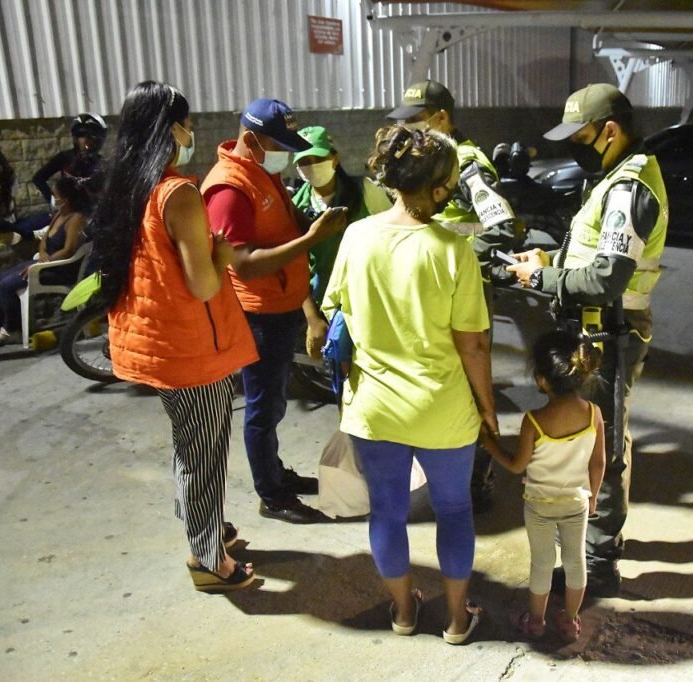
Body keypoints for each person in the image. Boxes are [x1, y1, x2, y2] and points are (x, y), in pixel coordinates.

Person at [322, 125, 496, 644]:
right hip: (442, 409)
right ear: (440, 186)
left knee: (388, 513)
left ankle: (402, 613)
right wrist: (487, 410)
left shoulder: (357, 235)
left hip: (375, 409)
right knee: (455, 510)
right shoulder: (453, 250)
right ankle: (458, 620)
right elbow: (474, 345)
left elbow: (340, 310)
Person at [93, 81, 259, 592]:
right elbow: (204, 282)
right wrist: (224, 256)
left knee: (190, 443)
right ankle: (208, 559)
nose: (191, 133)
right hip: (192, 351)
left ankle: (202, 523)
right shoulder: (178, 194)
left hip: (155, 345)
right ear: (171, 129)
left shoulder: (127, 187)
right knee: (205, 451)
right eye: (185, 123)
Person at [508, 83, 668, 597]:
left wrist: (539, 281)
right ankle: (603, 549)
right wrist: (548, 262)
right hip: (599, 327)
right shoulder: (613, 178)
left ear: (611, 131)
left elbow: (606, 278)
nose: (574, 146)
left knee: (602, 445)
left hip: (612, 332)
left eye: (581, 136)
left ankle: (598, 568)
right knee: (602, 437)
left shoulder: (630, 188)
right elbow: (589, 258)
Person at [202, 99, 346, 524]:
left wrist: (311, 223)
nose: (286, 155)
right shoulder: (229, 190)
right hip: (259, 314)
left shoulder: (262, 172)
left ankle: (276, 474)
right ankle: (272, 495)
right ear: (251, 140)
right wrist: (311, 239)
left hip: (282, 304)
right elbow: (243, 263)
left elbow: (281, 222)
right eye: (278, 144)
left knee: (276, 402)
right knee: (263, 409)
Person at [387, 79, 522, 511]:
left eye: (415, 120)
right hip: (434, 290)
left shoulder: (468, 166)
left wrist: (445, 237)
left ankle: (478, 480)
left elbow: (500, 228)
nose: (409, 130)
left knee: (471, 386)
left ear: (441, 118)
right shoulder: (432, 161)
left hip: (467, 290)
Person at [480, 330, 605, 642]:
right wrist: (594, 495)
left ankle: (535, 621)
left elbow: (517, 465)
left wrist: (489, 444)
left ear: (542, 379)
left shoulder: (534, 421)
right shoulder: (593, 415)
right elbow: (598, 463)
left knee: (542, 563)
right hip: (576, 503)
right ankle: (570, 620)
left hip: (539, 505)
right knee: (576, 561)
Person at [290, 125, 392, 359]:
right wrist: (312, 318)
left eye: (318, 158)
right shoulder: (297, 205)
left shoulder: (364, 191)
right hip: (327, 302)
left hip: (373, 297)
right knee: (340, 366)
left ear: (334, 158)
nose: (312, 166)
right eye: (304, 161)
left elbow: (392, 236)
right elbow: (295, 266)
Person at [0, 175, 87, 346]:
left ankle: (10, 329)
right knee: (0, 279)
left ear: (65, 199)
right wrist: (42, 252)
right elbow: (45, 238)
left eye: (55, 195)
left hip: (59, 269)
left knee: (7, 285)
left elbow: (68, 250)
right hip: (45, 263)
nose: (53, 198)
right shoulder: (59, 214)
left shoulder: (76, 218)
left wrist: (41, 263)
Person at [16, 114, 108, 241]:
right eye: (81, 136)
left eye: (90, 137)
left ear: (98, 140)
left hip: (89, 217)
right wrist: (52, 199)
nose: (85, 141)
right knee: (23, 227)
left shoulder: (102, 164)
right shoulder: (66, 157)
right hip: (64, 212)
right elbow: (39, 177)